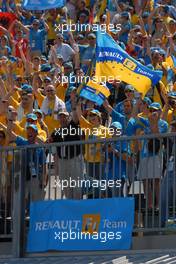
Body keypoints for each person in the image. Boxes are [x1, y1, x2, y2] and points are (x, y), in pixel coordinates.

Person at [50, 110, 83, 199]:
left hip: (74, 159)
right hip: (62, 161)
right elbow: (52, 146)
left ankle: (77, 206)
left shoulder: (73, 126)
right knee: (66, 187)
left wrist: (74, 103)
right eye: (60, 117)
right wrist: (56, 165)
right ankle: (70, 206)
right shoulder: (56, 132)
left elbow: (76, 116)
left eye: (64, 116)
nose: (62, 119)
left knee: (77, 186)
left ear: (68, 118)